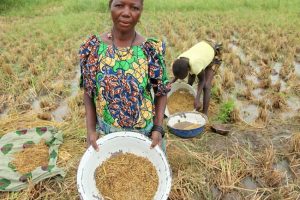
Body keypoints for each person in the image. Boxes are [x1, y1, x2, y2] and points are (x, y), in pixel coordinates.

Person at [79, 0, 171, 151]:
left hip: (145, 135)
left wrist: (157, 129)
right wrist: (91, 131)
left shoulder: (149, 50)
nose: (126, 13)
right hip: (106, 134)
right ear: (110, 7)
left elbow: (161, 92)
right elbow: (88, 93)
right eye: (119, 5)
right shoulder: (94, 48)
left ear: (141, 12)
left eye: (134, 7)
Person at [171, 40, 222, 116]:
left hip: (213, 52)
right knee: (192, 76)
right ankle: (188, 98)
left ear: (187, 69)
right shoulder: (180, 60)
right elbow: (178, 73)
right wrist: (171, 83)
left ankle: (205, 114)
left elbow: (202, 80)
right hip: (202, 49)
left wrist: (197, 99)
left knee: (206, 86)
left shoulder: (195, 65)